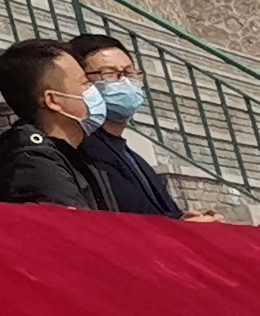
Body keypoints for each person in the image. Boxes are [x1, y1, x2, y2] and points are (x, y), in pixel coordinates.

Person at [63, 32, 193, 219]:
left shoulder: (132, 157)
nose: (124, 82)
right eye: (109, 74)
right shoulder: (83, 152)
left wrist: (185, 220)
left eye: (129, 73)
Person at [0, 39, 115, 209]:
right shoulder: (34, 164)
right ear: (53, 100)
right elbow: (77, 223)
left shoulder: (76, 151)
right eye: (85, 83)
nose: (94, 90)